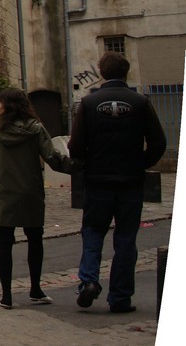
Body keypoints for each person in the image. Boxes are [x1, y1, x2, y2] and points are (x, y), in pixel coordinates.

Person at [68, 51, 166, 313]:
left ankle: (89, 280)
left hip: (98, 180)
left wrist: (87, 162)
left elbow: (75, 145)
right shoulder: (140, 102)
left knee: (93, 231)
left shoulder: (89, 103)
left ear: (101, 72)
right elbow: (158, 142)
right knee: (125, 238)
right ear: (126, 72)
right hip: (130, 181)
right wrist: (140, 163)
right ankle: (120, 297)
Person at [0, 87, 71, 309]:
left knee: (4, 242)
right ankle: (36, 289)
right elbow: (52, 157)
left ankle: (6, 295)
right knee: (35, 239)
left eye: (0, 102)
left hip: (3, 191)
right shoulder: (35, 129)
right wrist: (76, 167)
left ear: (6, 105)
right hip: (30, 191)